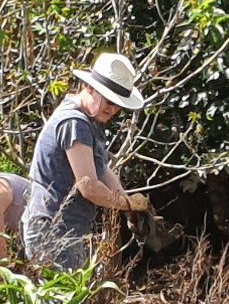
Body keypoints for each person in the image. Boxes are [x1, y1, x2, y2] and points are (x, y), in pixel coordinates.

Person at [22, 52, 154, 271]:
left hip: (66, 230)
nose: (112, 109)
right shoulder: (75, 123)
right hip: (53, 230)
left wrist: (127, 203)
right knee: (58, 303)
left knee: (67, 301)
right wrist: (128, 204)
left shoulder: (87, 121)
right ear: (89, 88)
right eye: (109, 101)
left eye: (118, 105)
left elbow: (101, 169)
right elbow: (89, 187)